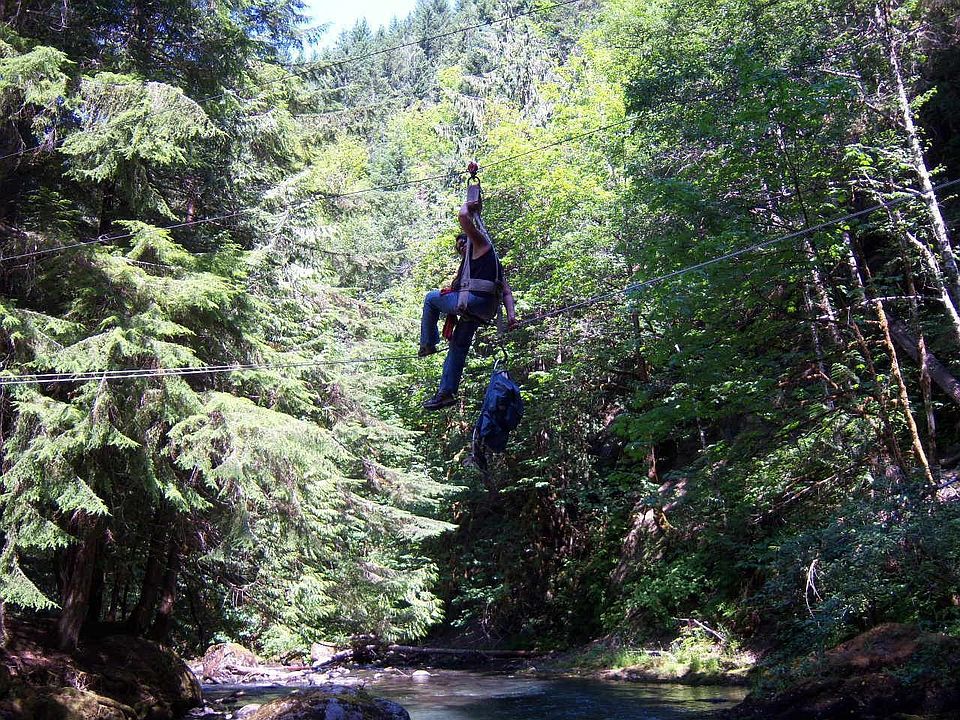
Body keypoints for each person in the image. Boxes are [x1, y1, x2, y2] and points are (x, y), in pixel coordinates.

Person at [419, 200, 517, 410]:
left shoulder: (481, 245)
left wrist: (469, 205)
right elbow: (506, 291)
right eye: (458, 247)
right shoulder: (492, 264)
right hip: (482, 311)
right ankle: (446, 392)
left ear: (472, 240)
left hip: (473, 303)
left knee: (430, 298)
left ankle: (428, 343)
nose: (461, 247)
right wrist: (511, 317)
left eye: (463, 243)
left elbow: (463, 218)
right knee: (458, 347)